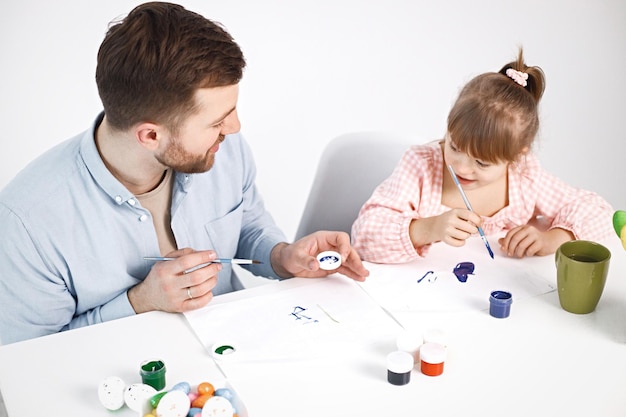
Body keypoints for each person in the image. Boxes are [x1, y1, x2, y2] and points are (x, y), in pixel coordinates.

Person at [0, 2, 369, 345]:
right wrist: (139, 302)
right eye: (217, 121)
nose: (235, 127)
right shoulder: (28, 224)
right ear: (150, 135)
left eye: (232, 111)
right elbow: (28, 359)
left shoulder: (221, 149)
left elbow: (247, 226)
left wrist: (282, 255)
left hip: (238, 351)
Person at [351, 48, 614, 263]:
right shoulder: (420, 167)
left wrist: (554, 237)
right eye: (454, 147)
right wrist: (428, 228)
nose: (462, 168)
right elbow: (363, 236)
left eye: (482, 162)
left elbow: (600, 213)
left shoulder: (525, 176)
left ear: (515, 156)